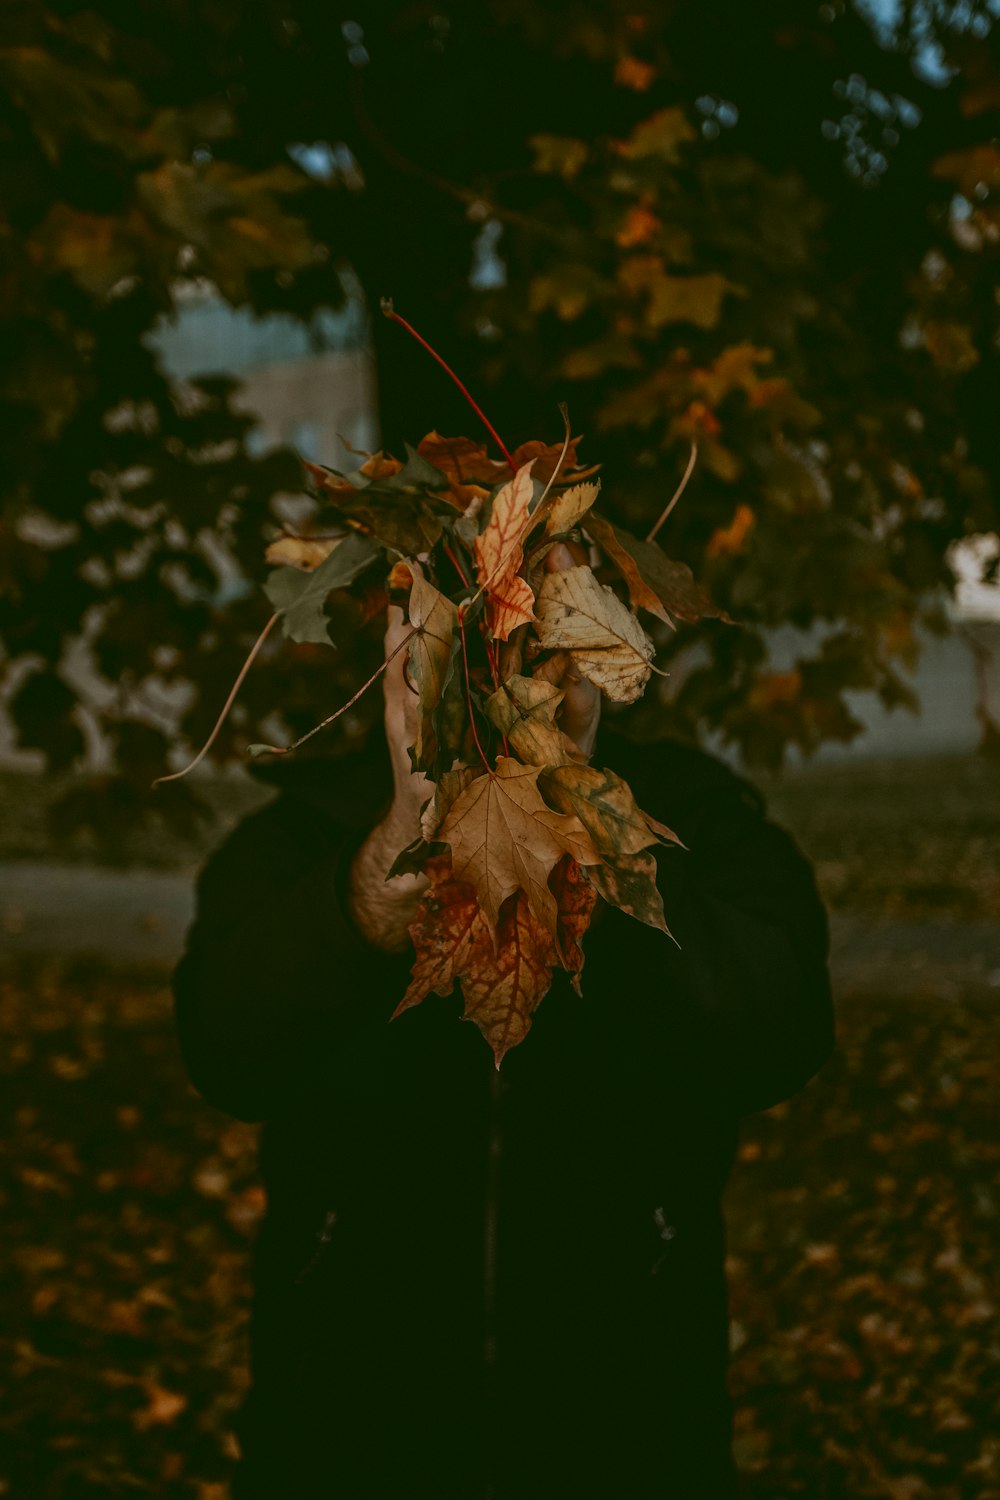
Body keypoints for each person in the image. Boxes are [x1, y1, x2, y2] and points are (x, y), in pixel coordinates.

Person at [172, 546, 835, 1498]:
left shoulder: (695, 814)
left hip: (625, 1435)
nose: (497, 675)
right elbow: (223, 1050)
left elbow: (780, 1031)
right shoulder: (301, 830)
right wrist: (380, 880)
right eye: (458, 640)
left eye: (535, 637)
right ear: (396, 655)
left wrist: (595, 831)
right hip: (345, 1437)